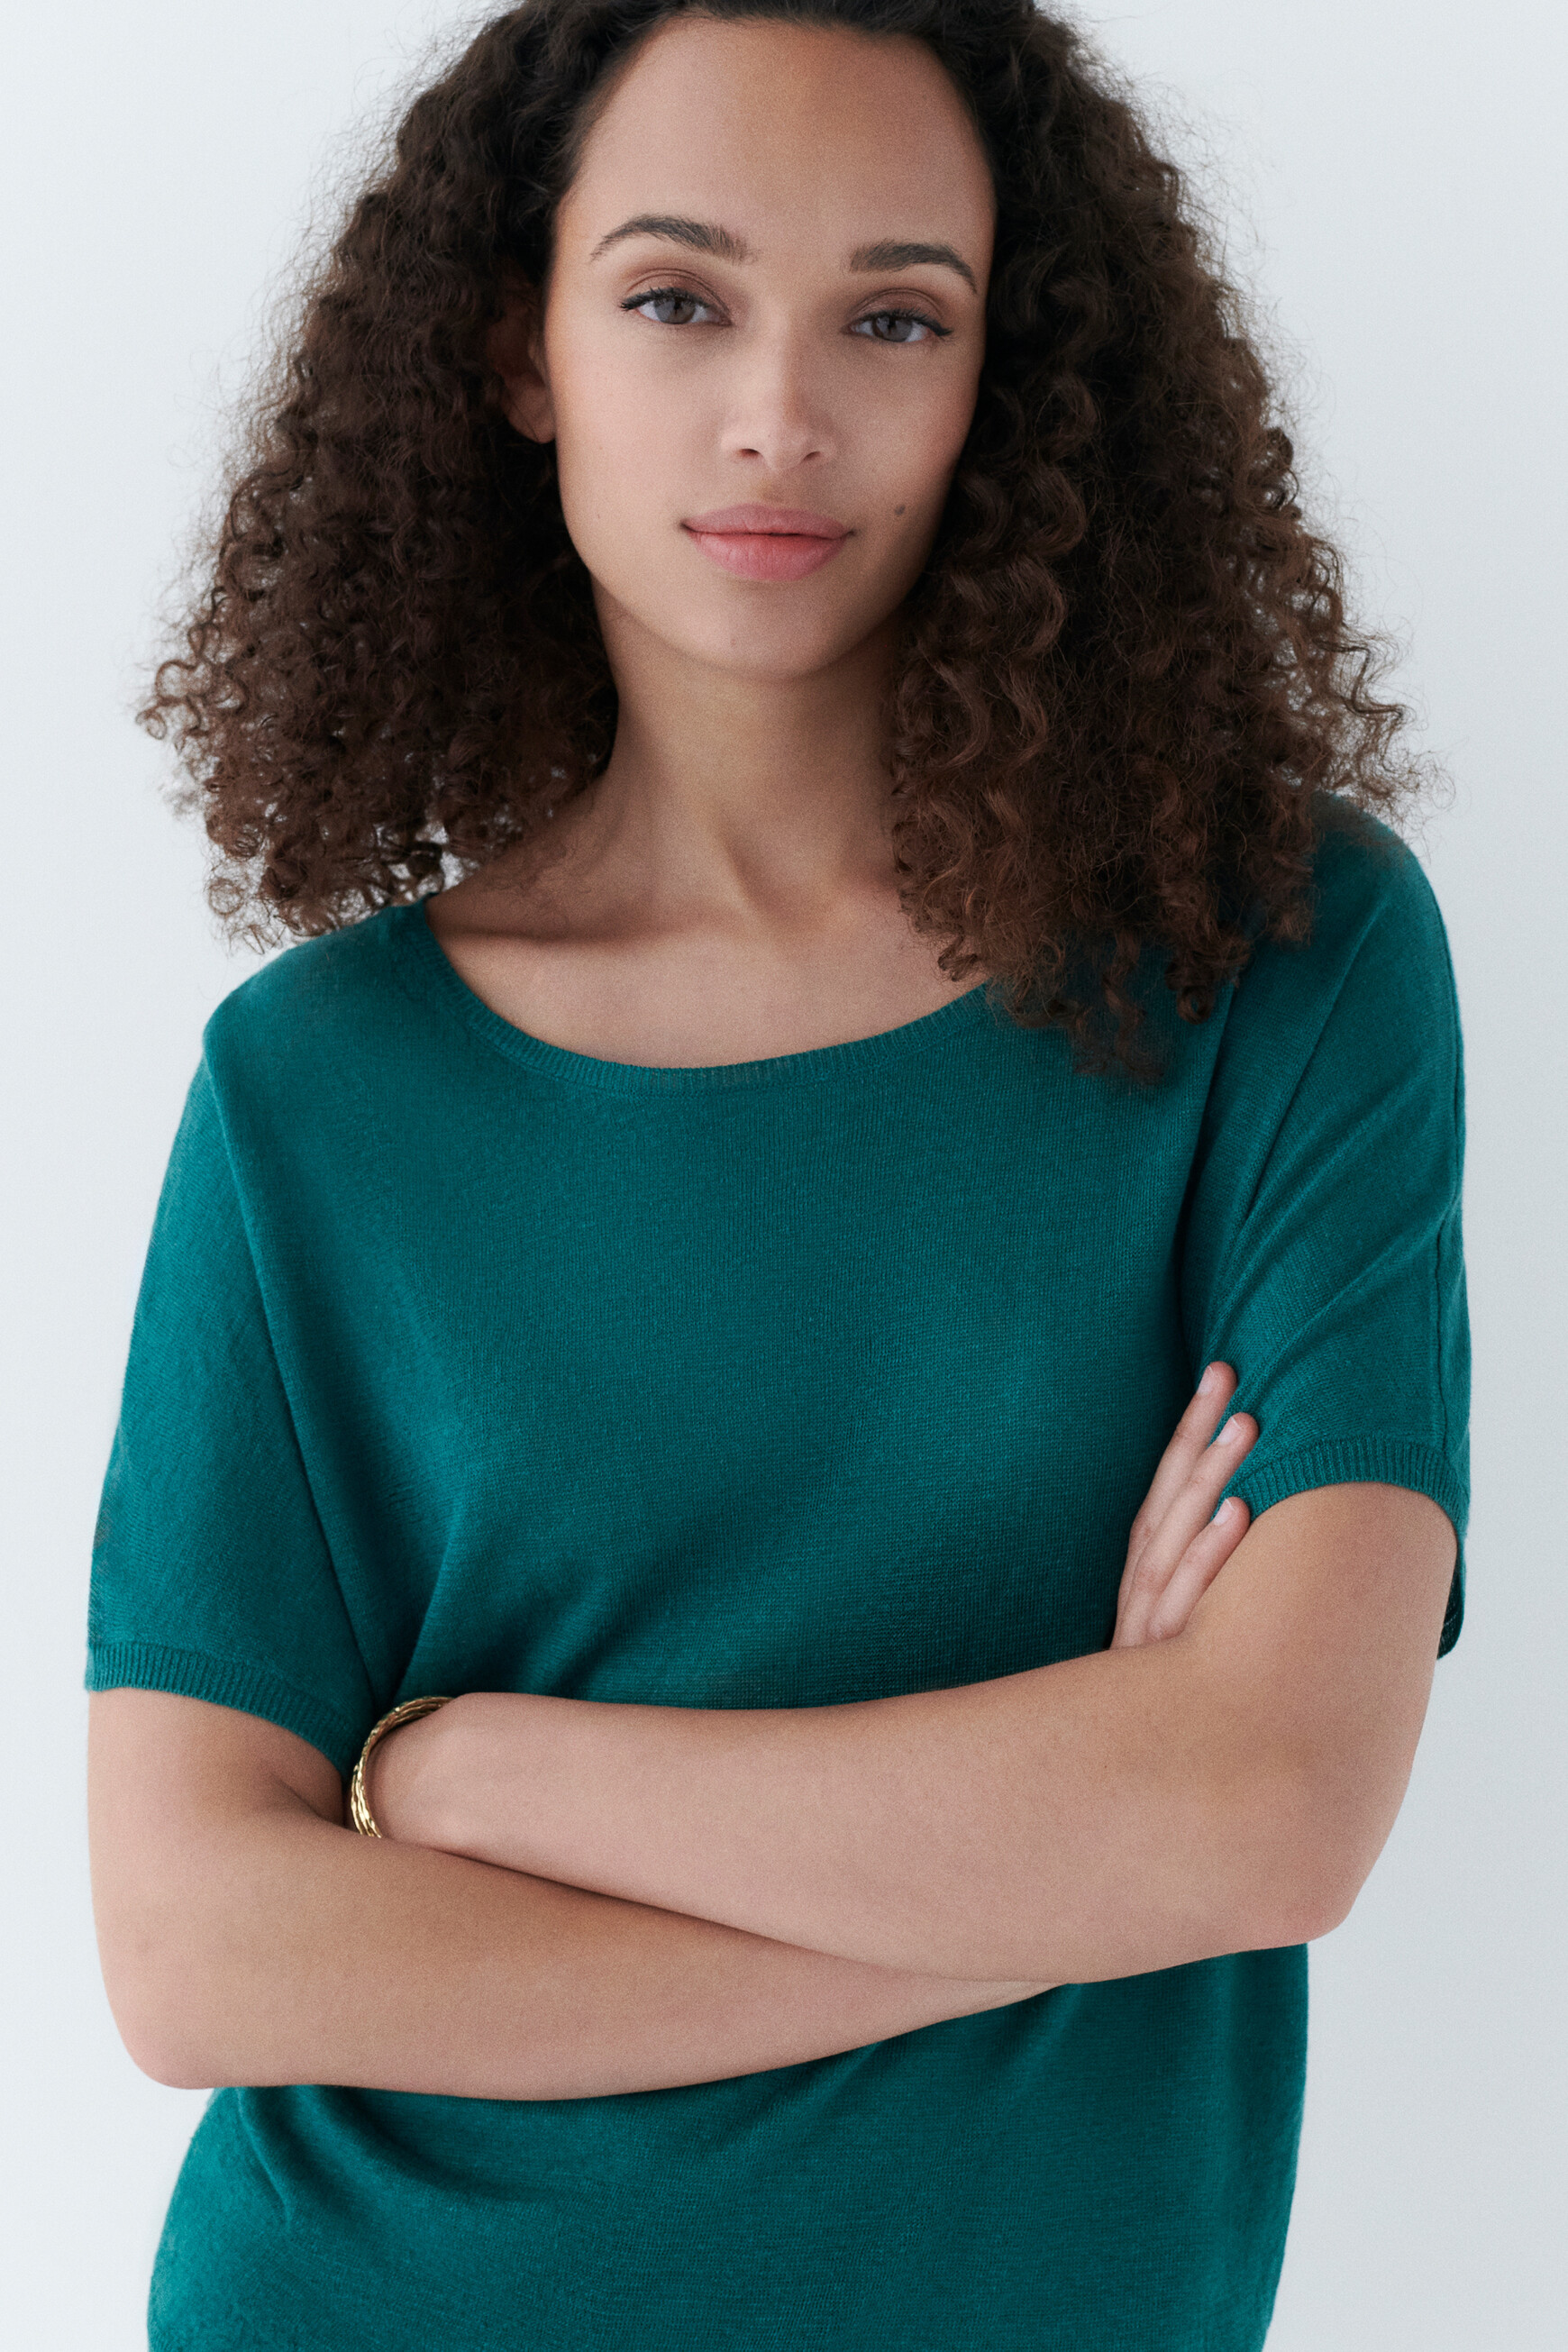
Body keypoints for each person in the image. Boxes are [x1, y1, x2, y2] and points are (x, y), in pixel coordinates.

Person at [84, 4, 1470, 2348]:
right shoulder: (315, 1089)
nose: (778, 415)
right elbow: (197, 1952)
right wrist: (1052, 1880)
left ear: (1009, 378)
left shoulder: (1272, 959)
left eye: (893, 318)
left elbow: (1265, 1809)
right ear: (515, 347)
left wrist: (484, 1774)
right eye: (674, 296)